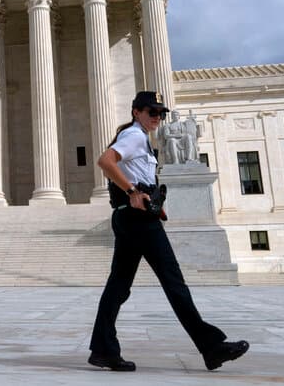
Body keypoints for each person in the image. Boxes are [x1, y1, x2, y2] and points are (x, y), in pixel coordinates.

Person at [89, 91, 249, 372]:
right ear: (136, 111)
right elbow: (105, 161)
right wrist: (133, 191)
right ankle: (211, 347)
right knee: (174, 282)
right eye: (152, 112)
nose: (157, 118)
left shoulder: (141, 138)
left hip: (131, 218)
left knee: (118, 287)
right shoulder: (135, 136)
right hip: (139, 220)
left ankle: (103, 350)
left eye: (160, 113)